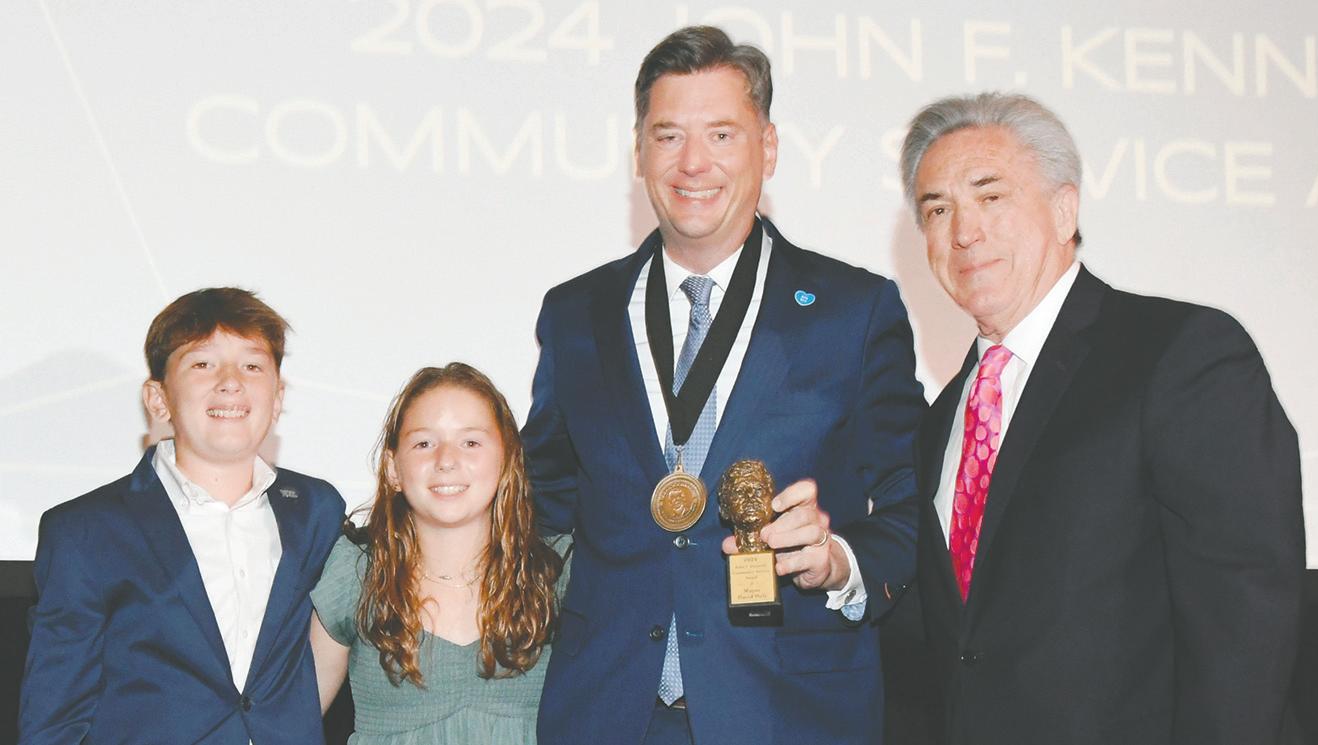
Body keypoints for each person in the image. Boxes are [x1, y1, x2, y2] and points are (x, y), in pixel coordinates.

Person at [522, 25, 925, 745]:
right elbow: (542, 500)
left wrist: (838, 560)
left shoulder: (853, 312)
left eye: (721, 135)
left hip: (788, 713)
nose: (692, 162)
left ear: (767, 147)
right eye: (668, 135)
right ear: (638, 150)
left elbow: (910, 500)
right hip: (607, 713)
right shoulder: (575, 312)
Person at [899, 92, 1304, 745]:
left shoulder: (1177, 353)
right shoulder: (941, 420)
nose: (963, 232)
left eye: (990, 196)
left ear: (1064, 210)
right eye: (937, 210)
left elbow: (1244, 615)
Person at [19, 287, 346, 744]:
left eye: (252, 366)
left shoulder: (317, 510)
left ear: (277, 397)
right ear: (158, 399)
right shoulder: (85, 531)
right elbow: (54, 717)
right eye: (203, 364)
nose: (230, 382)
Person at [309, 363, 567, 745]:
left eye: (471, 442)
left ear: (507, 459)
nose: (446, 460)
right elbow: (290, 725)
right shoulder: (356, 571)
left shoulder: (558, 570)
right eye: (424, 443)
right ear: (393, 468)